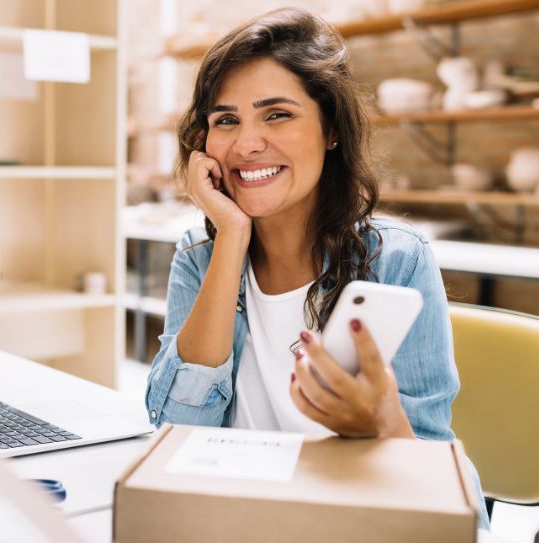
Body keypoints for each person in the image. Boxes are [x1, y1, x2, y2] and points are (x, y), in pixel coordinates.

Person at [144, 7, 489, 524]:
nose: (246, 144)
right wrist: (231, 237)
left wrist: (380, 420)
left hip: (347, 518)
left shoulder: (397, 260)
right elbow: (176, 430)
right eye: (226, 120)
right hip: (234, 519)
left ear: (331, 129)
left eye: (277, 114)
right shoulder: (199, 256)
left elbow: (440, 490)